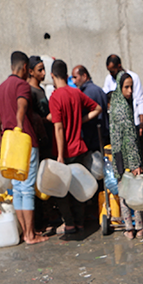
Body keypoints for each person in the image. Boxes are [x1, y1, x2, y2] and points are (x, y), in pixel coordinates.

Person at [0, 50, 46, 244]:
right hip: (25, 142)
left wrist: (1, 145)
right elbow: (22, 107)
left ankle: (26, 233)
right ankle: (30, 235)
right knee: (27, 189)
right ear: (25, 67)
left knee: (17, 189)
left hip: (8, 144)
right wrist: (19, 128)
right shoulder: (22, 86)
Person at [49, 59, 101, 235]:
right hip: (79, 148)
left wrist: (61, 155)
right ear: (66, 75)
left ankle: (69, 224)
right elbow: (98, 108)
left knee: (61, 190)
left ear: (52, 76)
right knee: (78, 186)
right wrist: (82, 120)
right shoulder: (76, 93)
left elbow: (58, 127)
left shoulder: (55, 97)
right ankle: (79, 223)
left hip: (64, 152)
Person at [108, 70, 143, 239]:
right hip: (128, 158)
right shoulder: (123, 109)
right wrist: (136, 163)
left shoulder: (116, 103)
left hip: (118, 157)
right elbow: (129, 139)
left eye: (132, 87)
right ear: (119, 87)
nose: (130, 91)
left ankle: (128, 227)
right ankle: (138, 226)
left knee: (124, 193)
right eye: (126, 87)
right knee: (134, 192)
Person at [102, 55, 143, 130]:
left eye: (112, 71)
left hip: (133, 122)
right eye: (109, 71)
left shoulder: (134, 77)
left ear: (119, 66)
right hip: (117, 125)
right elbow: (105, 97)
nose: (111, 74)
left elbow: (140, 100)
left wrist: (141, 123)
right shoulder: (109, 79)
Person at [71, 64, 108, 151]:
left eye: (75, 77)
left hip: (92, 138)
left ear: (84, 76)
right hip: (103, 136)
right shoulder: (99, 90)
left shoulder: (86, 94)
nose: (74, 81)